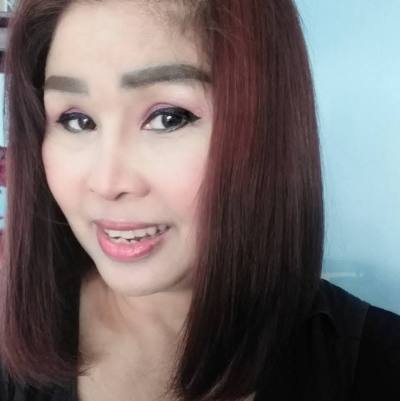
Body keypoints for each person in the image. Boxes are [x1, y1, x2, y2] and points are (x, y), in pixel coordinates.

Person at [0, 0, 399, 400]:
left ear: (267, 128)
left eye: (168, 118)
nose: (107, 183)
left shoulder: (378, 365)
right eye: (77, 120)